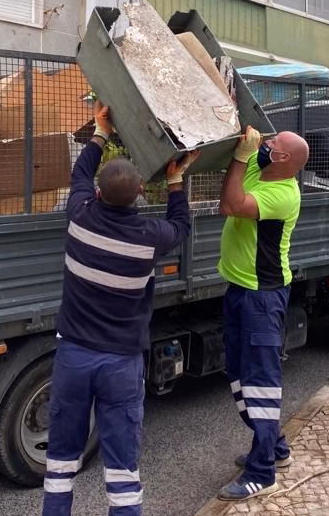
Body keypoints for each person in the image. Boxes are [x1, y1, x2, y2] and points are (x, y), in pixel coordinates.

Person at [42, 102, 198, 516]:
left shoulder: (79, 218)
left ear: (96, 194)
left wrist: (101, 131)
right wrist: (177, 180)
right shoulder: (148, 238)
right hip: (121, 363)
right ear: (139, 196)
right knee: (121, 463)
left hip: (73, 357)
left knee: (61, 458)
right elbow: (181, 228)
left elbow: (78, 175)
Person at [216, 126, 310, 500]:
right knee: (239, 374)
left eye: (273, 144)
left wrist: (242, 158)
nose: (265, 145)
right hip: (240, 288)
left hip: (262, 296)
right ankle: (276, 447)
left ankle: (262, 472)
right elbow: (242, 145)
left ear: (284, 159)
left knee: (260, 381)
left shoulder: (283, 193)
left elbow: (231, 205)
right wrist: (246, 140)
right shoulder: (262, 165)